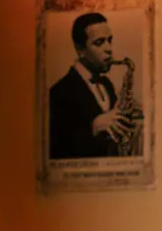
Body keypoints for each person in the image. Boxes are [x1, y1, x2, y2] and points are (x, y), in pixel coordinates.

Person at [47, 12, 135, 160]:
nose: (109, 49)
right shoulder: (58, 92)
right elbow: (56, 149)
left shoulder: (107, 84)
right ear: (80, 50)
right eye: (99, 42)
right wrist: (93, 128)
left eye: (109, 40)